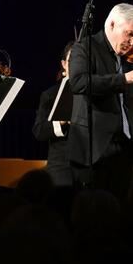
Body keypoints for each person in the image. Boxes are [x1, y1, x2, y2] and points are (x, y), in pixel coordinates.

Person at [66, 3, 133, 200]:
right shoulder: (84, 48)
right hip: (96, 148)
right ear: (112, 24)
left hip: (126, 147)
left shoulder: (126, 59)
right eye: (129, 34)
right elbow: (78, 83)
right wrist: (123, 79)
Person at [33, 41, 75, 187]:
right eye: (72, 60)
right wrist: (62, 121)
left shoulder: (95, 91)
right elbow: (39, 131)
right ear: (64, 64)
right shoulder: (50, 95)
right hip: (62, 165)